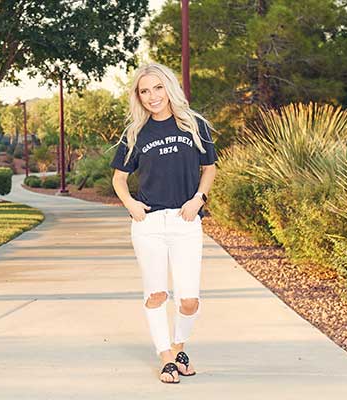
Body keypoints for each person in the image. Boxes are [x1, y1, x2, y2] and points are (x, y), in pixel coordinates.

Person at [110, 62, 217, 384]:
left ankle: (178, 348)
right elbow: (119, 178)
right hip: (150, 225)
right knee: (157, 294)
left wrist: (198, 199)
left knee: (189, 299)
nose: (152, 96)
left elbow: (209, 168)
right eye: (145, 91)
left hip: (186, 222)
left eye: (157, 88)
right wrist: (131, 205)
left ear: (168, 88)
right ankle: (167, 359)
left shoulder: (194, 125)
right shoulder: (135, 134)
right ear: (138, 97)